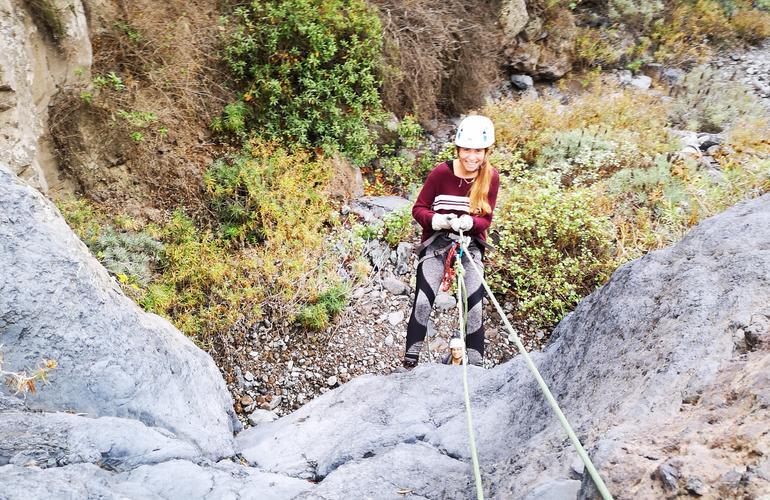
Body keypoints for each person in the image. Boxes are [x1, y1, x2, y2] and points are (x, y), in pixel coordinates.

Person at [403, 115, 500, 369]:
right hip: (437, 244)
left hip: (470, 247)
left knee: (475, 306)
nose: (472, 156)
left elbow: (486, 220)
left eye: (478, 150)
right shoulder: (440, 174)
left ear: (486, 151)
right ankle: (409, 362)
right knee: (423, 300)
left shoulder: (491, 177)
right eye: (467, 149)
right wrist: (439, 221)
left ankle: (477, 367)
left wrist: (469, 224)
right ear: (458, 149)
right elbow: (419, 209)